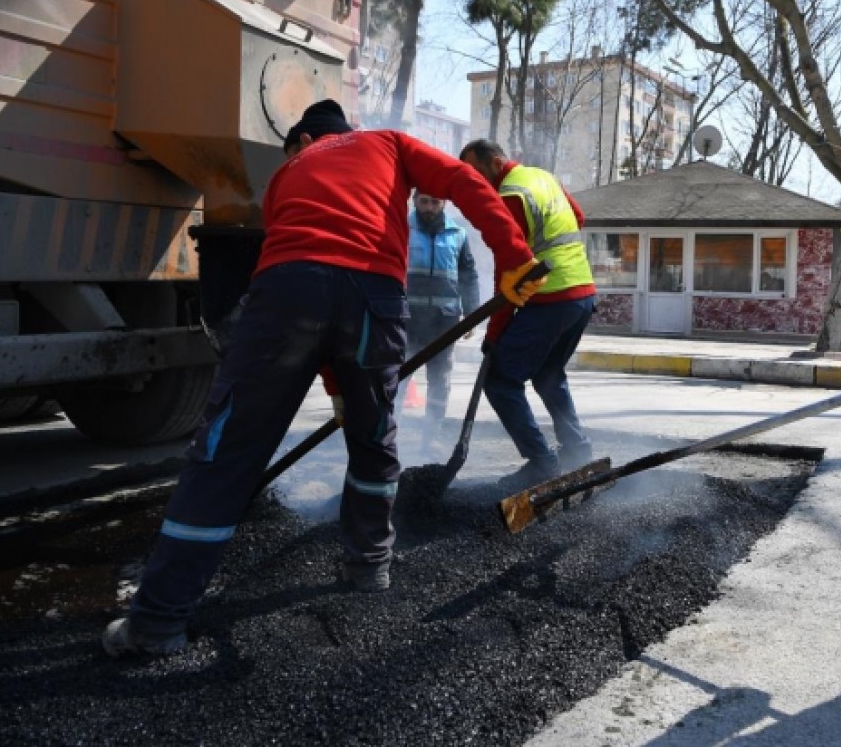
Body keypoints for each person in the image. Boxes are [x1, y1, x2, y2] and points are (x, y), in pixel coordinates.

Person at [102, 100, 545, 657]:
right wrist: (516, 256)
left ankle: (157, 622)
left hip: (287, 294)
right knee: (374, 436)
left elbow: (313, 279)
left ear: (306, 138)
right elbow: (462, 181)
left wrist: (332, 379)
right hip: (374, 299)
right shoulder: (389, 143)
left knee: (227, 447)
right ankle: (370, 566)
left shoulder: (287, 174)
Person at [458, 139, 597, 490]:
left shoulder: (509, 195)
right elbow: (577, 218)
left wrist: (494, 333)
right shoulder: (543, 177)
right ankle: (578, 450)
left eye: (475, 172)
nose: (475, 182)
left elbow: (508, 270)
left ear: (493, 162)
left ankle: (541, 462)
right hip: (581, 292)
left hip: (551, 296)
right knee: (548, 373)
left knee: (500, 381)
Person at [404, 189, 480, 455]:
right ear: (414, 202)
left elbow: (468, 276)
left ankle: (430, 438)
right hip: (407, 320)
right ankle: (390, 437)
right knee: (397, 380)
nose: (429, 207)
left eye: (434, 202)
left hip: (443, 323)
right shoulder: (402, 229)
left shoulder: (458, 234)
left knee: (439, 383)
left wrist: (471, 314)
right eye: (424, 201)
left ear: (444, 203)